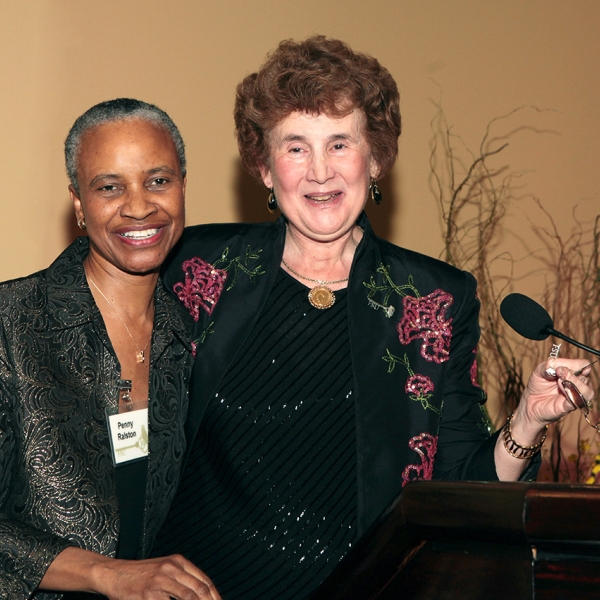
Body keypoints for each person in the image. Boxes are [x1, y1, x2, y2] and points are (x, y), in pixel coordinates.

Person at [152, 37, 595, 599]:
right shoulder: (197, 267)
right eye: (295, 147)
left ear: (376, 158)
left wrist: (529, 420)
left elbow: (461, 487)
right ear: (264, 168)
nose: (319, 171)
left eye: (340, 144)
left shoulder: (434, 299)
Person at [0, 99, 220, 599]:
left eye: (158, 180)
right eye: (109, 187)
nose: (139, 206)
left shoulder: (192, 338)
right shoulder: (11, 325)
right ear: (79, 203)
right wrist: (106, 573)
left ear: (184, 186)